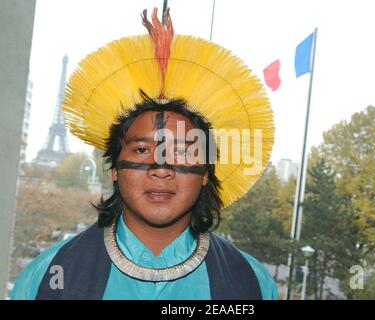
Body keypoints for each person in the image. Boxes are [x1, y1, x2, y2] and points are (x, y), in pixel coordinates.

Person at [12, 7, 277, 300]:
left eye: (180, 152)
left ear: (205, 172)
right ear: (114, 168)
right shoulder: (47, 277)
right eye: (141, 149)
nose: (161, 168)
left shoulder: (251, 283)